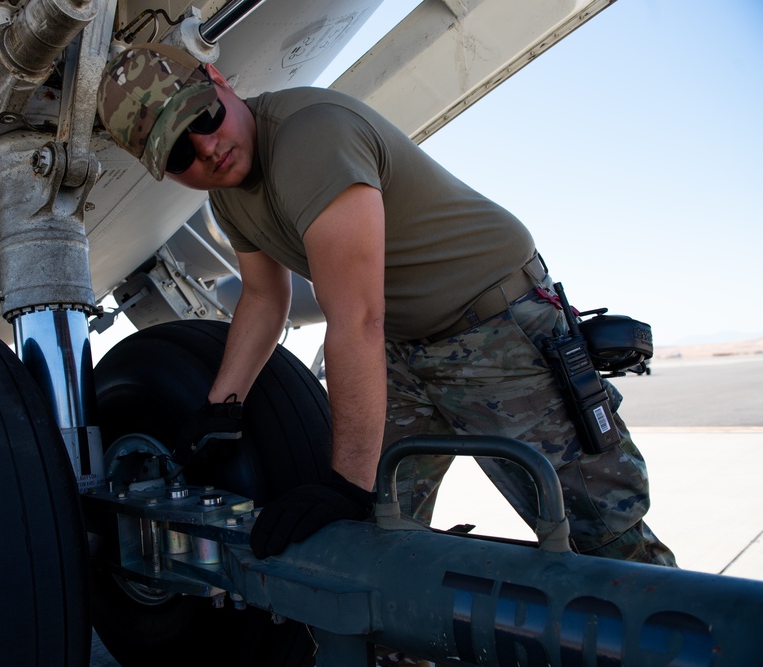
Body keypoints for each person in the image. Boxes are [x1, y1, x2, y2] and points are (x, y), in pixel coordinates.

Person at [95, 43, 677, 570]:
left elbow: (355, 319)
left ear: (219, 80)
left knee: (604, 540)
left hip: (497, 330)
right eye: (178, 153)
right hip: (403, 351)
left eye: (204, 118)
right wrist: (219, 408)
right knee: (372, 546)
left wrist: (347, 484)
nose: (208, 149)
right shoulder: (230, 197)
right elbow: (263, 297)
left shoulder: (310, 138)